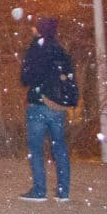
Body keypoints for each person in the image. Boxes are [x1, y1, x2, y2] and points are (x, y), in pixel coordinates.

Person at [20, 17, 78, 202]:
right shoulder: (60, 51)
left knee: (36, 148)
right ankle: (63, 191)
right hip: (57, 106)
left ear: (39, 30)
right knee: (59, 146)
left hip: (38, 103)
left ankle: (39, 190)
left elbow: (26, 77)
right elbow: (68, 77)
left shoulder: (36, 49)